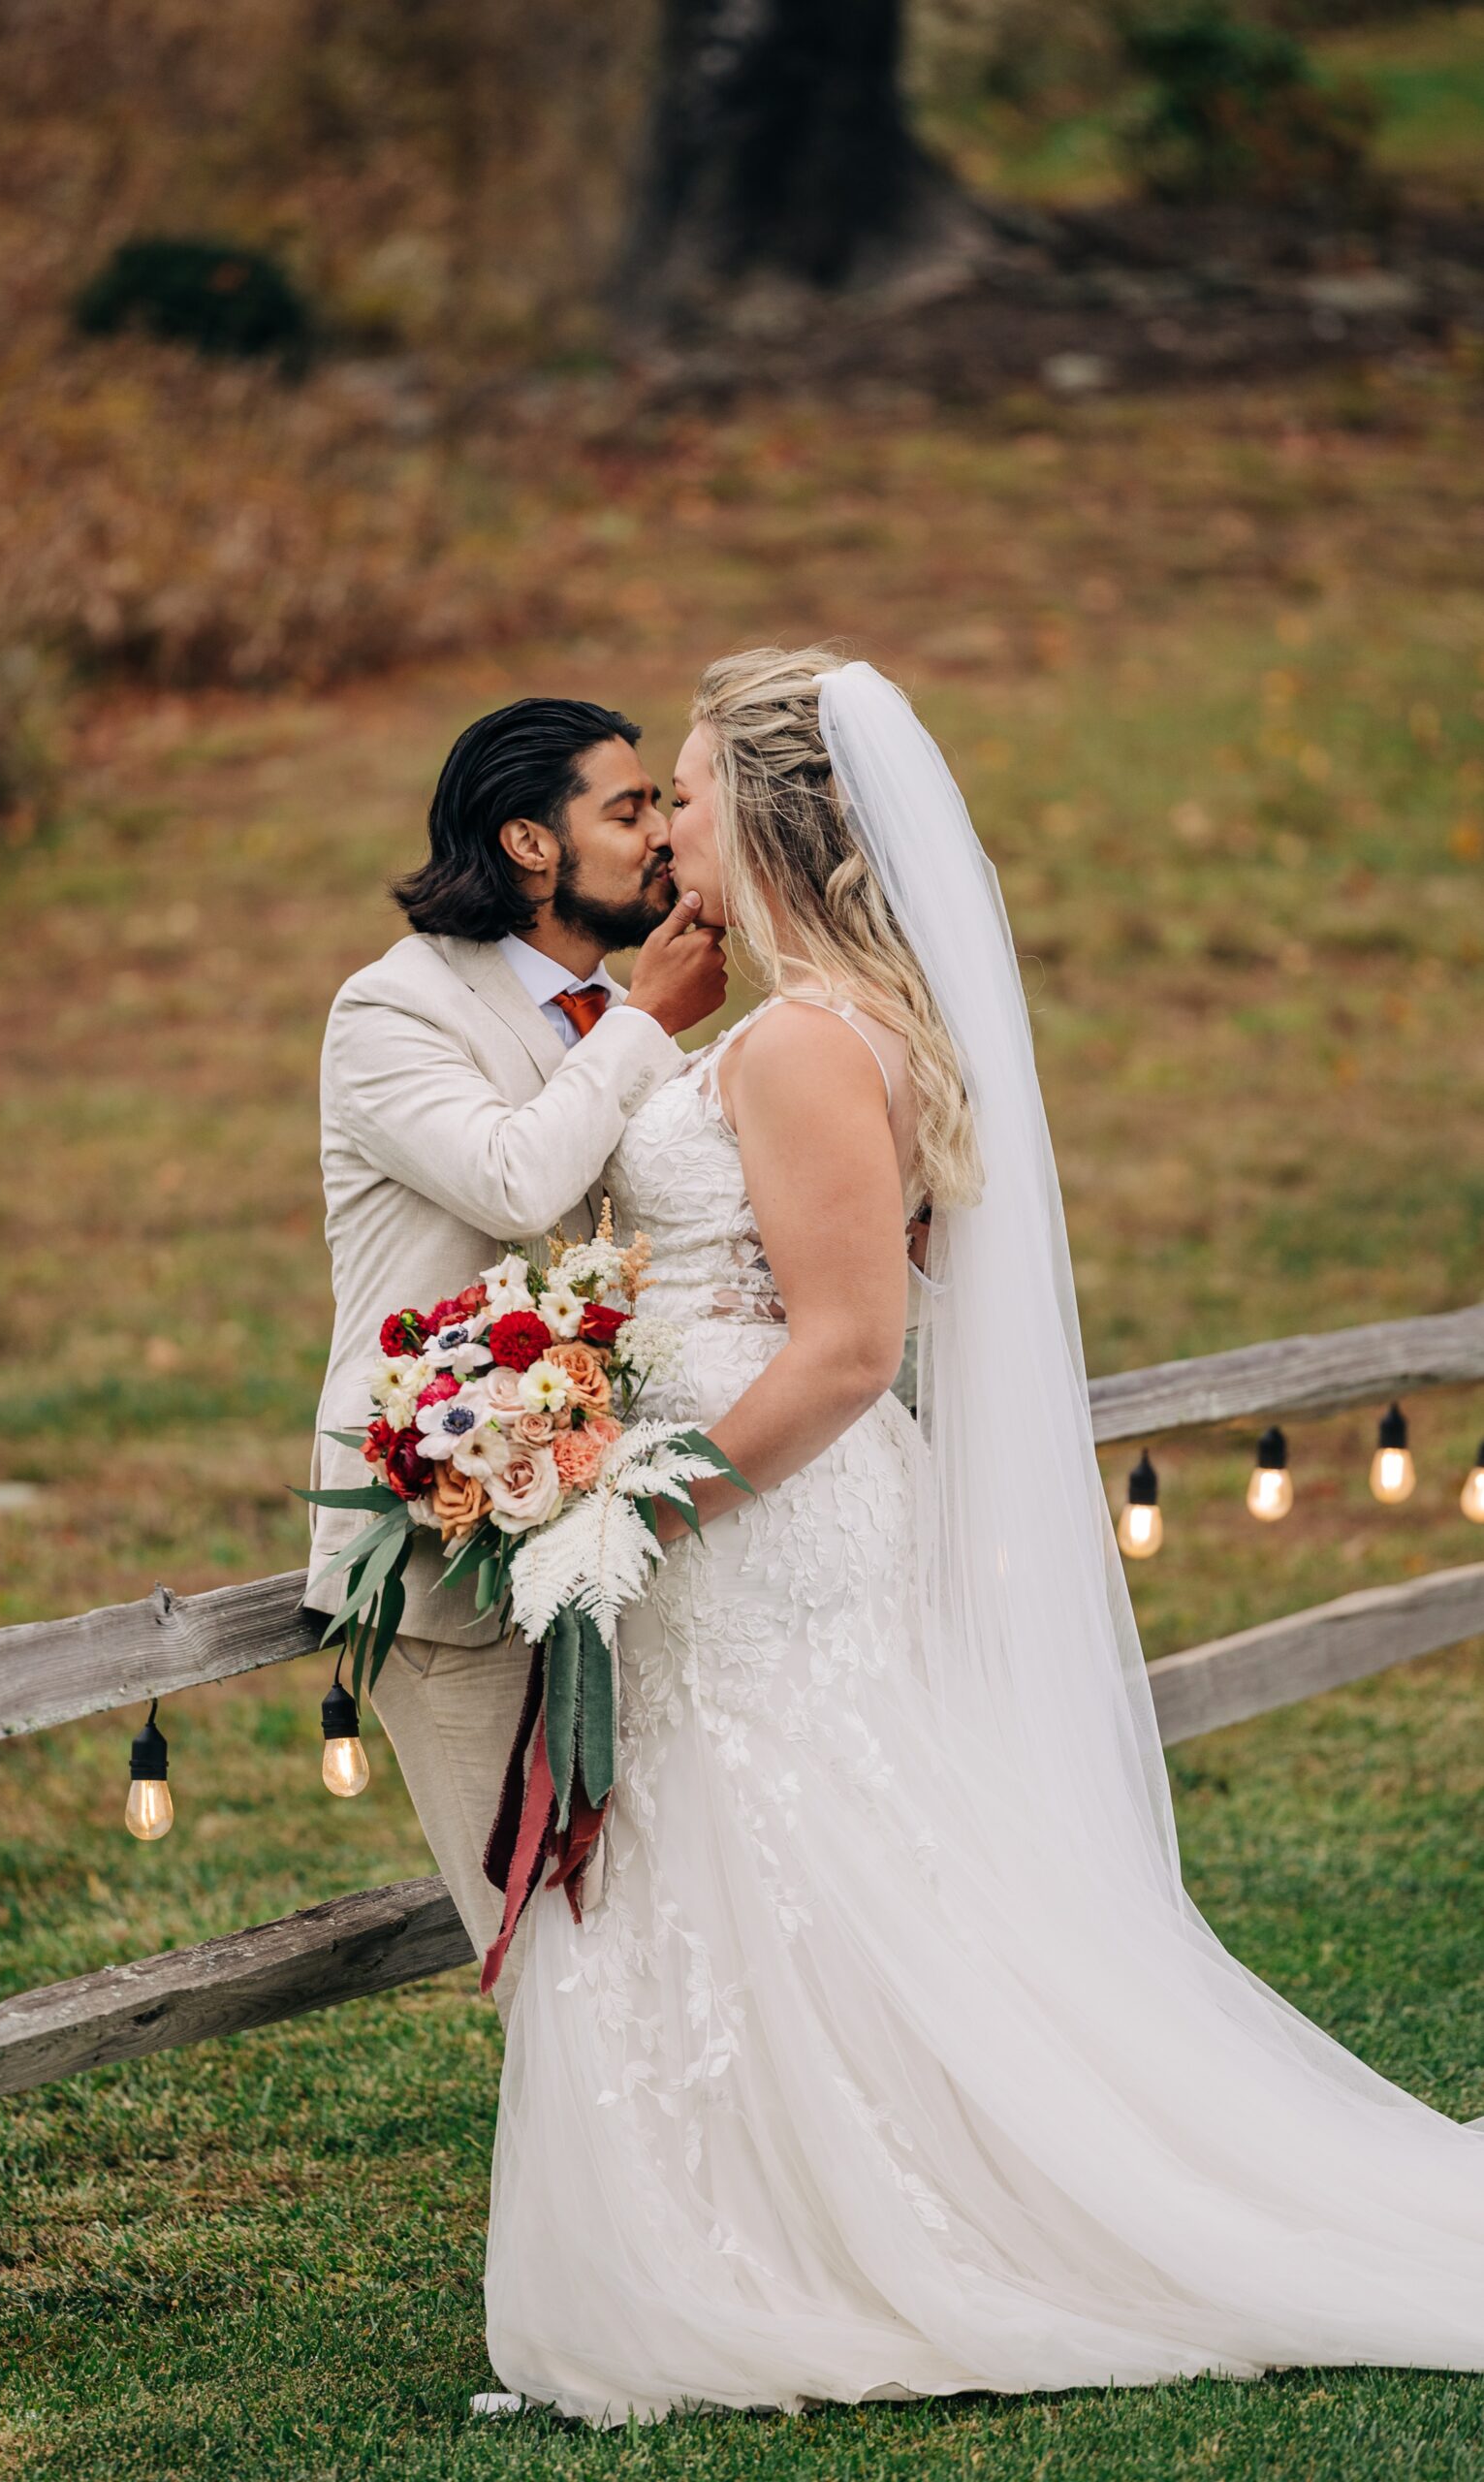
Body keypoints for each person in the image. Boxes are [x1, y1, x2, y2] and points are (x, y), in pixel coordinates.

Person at [478, 648, 1484, 2425]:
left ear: (774, 815)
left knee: (805, 1843)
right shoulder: (846, 1019)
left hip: (758, 1513)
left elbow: (854, 1346)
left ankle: (844, 2238)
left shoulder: (796, 1046)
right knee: (829, 1849)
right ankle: (791, 2219)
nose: (667, 827)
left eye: (690, 793)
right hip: (776, 1510)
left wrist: (636, 1509)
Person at [305, 696, 727, 2024]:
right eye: (629, 809)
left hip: (616, 1526)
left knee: (659, 1919)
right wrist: (646, 1023)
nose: (659, 835)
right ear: (530, 844)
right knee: (548, 1948)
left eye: (664, 803)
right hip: (444, 1537)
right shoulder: (393, 1009)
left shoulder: (618, 1013)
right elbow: (511, 1177)